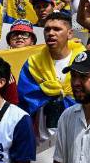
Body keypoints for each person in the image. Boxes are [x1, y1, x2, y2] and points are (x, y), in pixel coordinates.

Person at [18, 11, 85, 145]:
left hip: (77, 136)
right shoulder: (33, 64)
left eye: (57, 29)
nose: (51, 33)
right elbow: (25, 99)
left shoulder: (83, 61)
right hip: (42, 141)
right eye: (47, 29)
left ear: (70, 34)